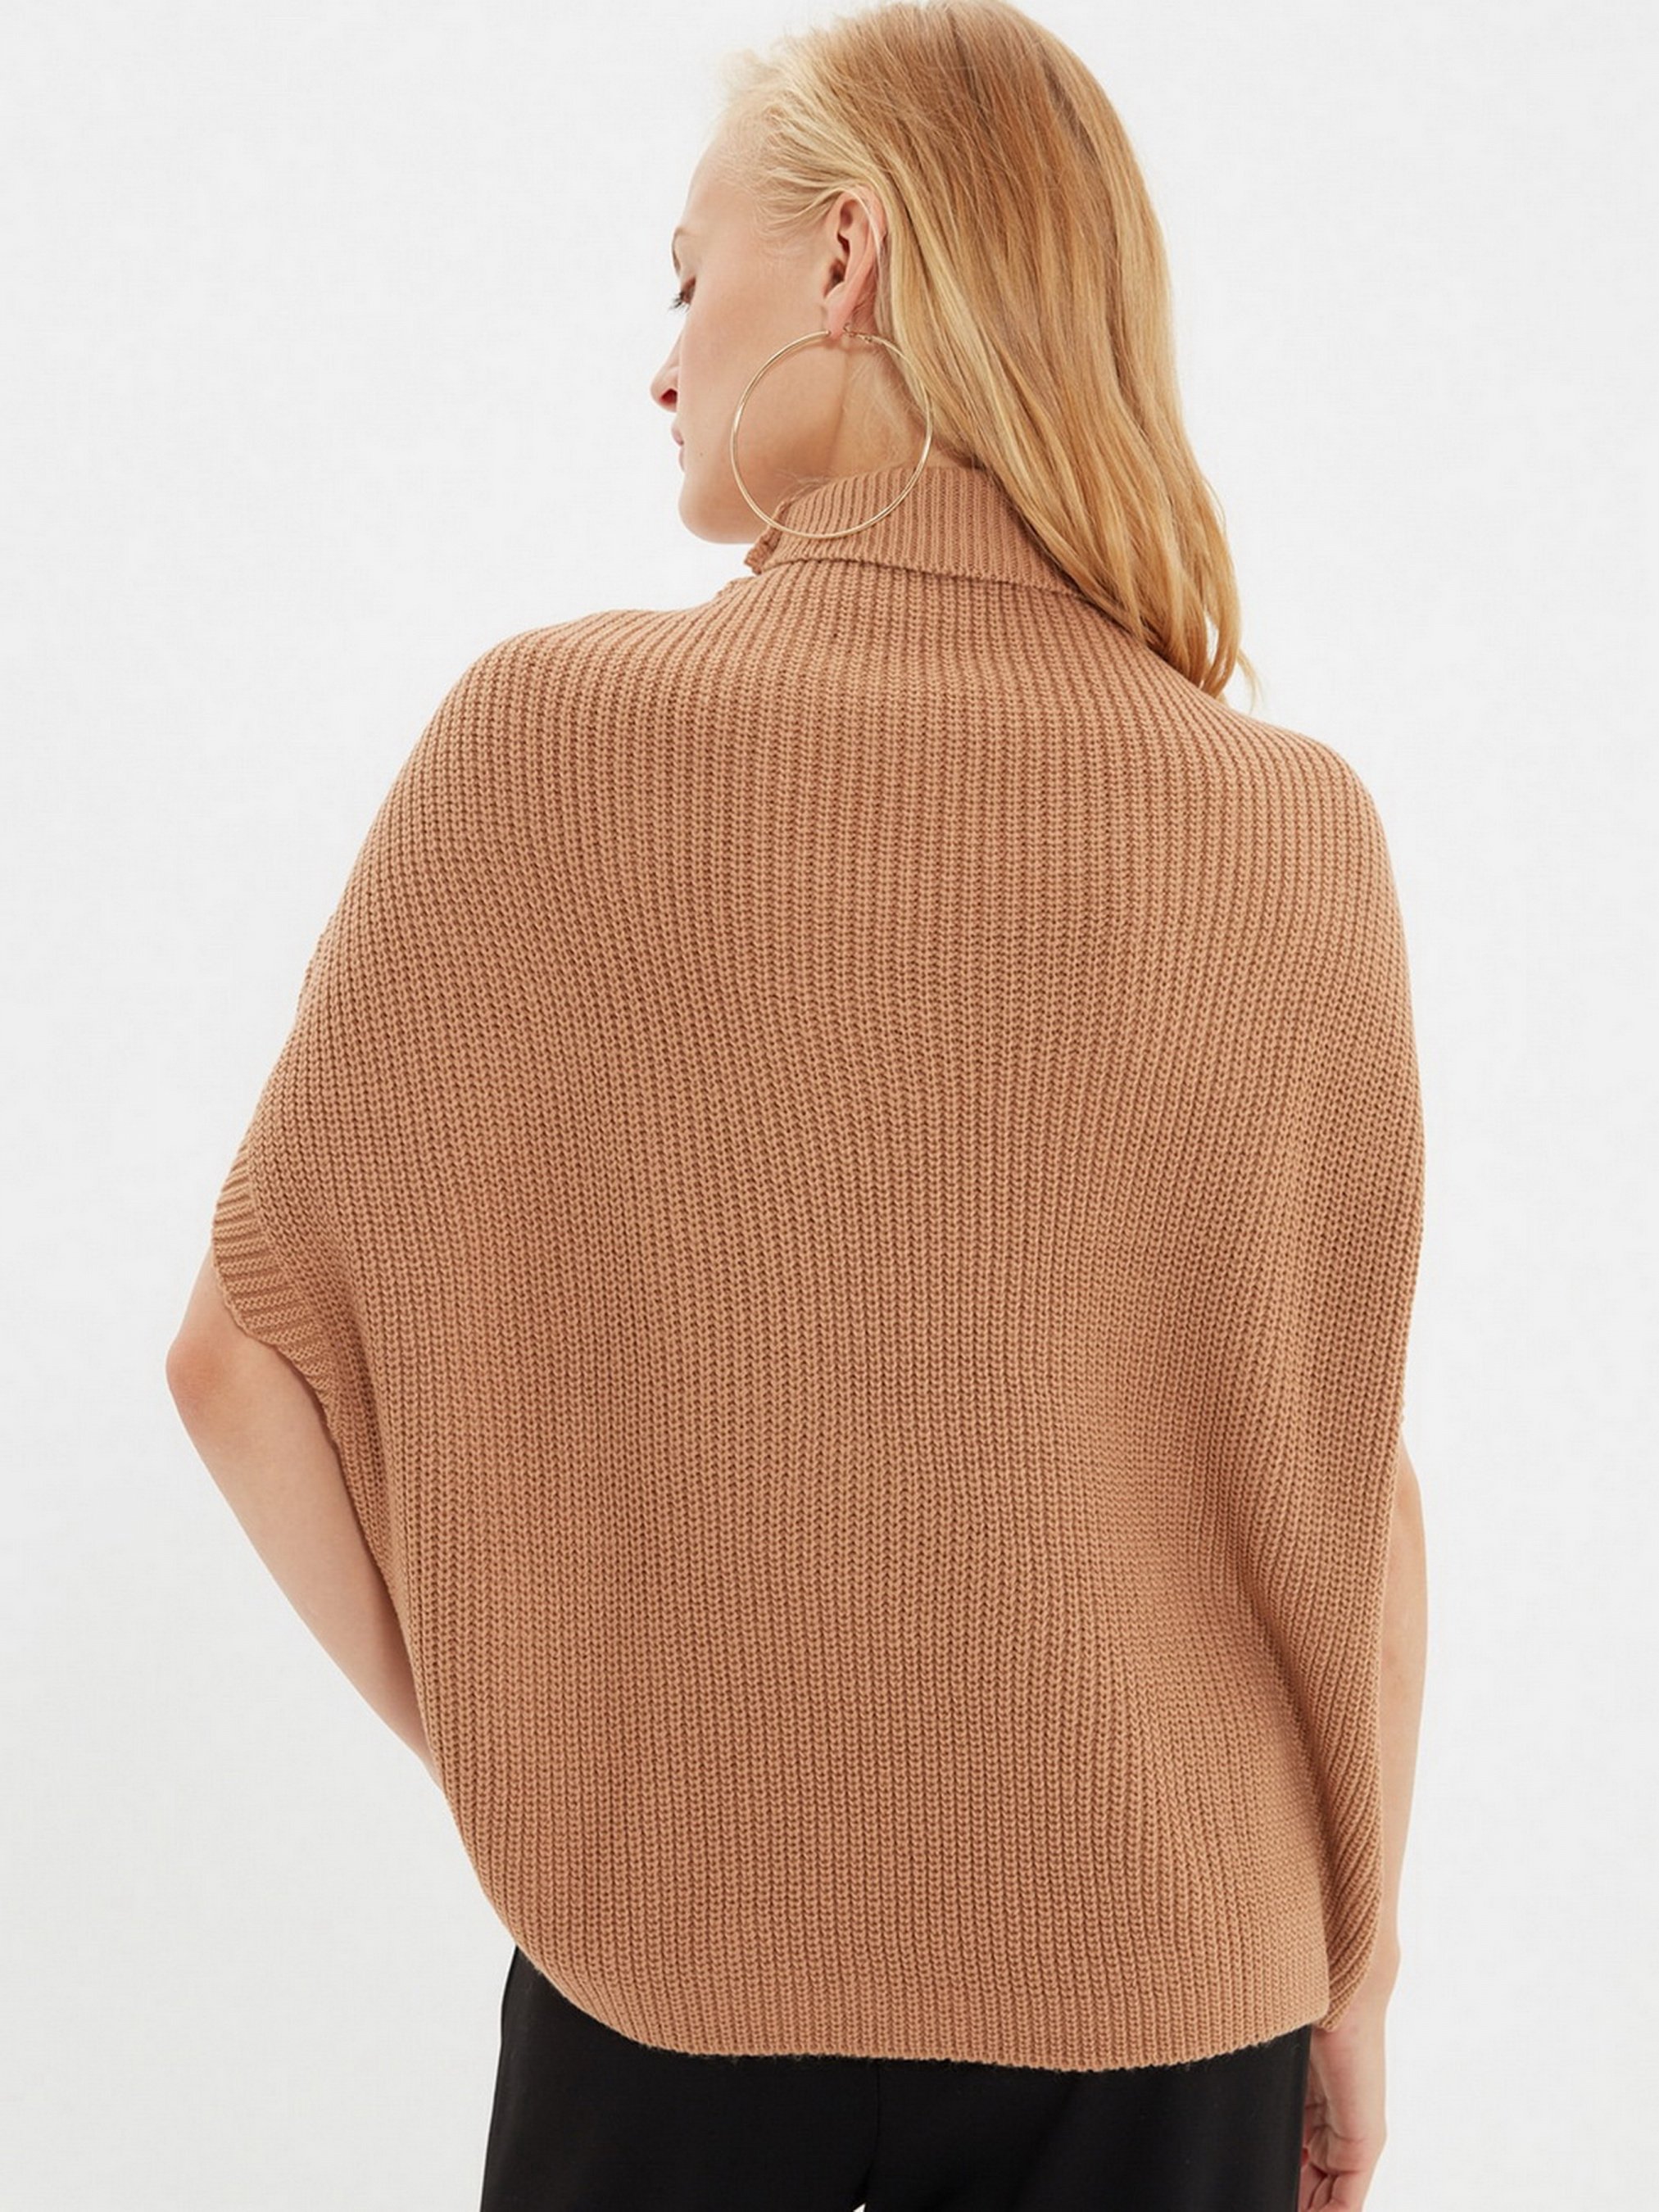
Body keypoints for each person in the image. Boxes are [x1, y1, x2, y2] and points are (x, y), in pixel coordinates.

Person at [168, 2, 1428, 2208]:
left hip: (669, 1976)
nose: (663, 364)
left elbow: (238, 1357)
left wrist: (558, 1804)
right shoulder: (1290, 826)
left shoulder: (548, 737)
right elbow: (1346, 1484)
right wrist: (1361, 1970)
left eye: (687, 276)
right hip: (1178, 1975)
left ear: (845, 257)